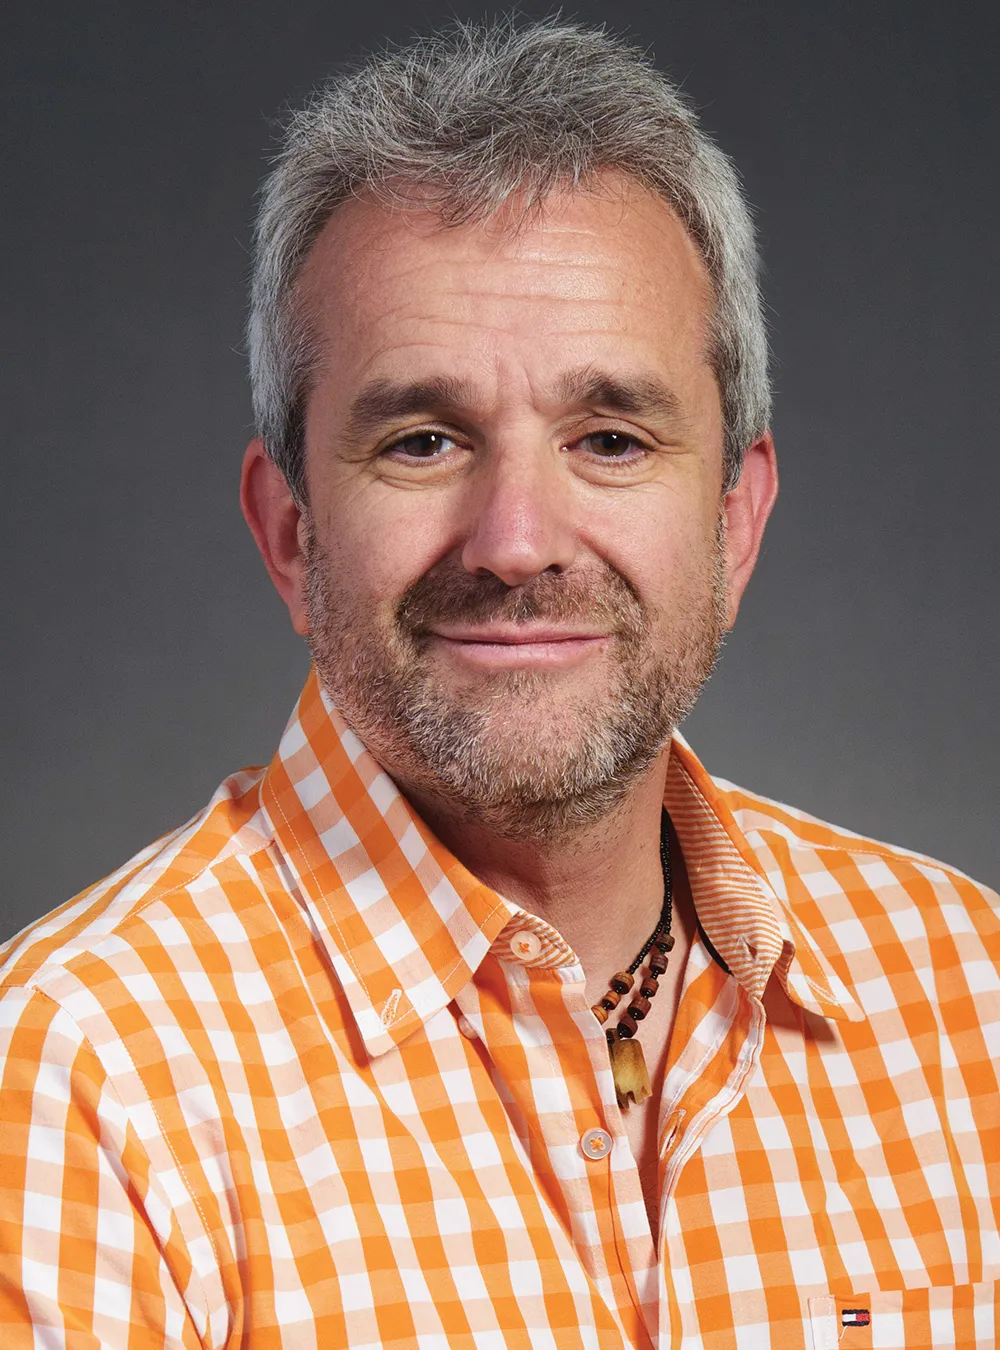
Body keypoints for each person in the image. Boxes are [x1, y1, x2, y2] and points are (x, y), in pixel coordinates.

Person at [1, 17, 997, 1349]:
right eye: (423, 440)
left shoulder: (968, 986)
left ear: (736, 519)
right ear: (291, 533)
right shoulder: (78, 1078)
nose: (517, 540)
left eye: (611, 438)